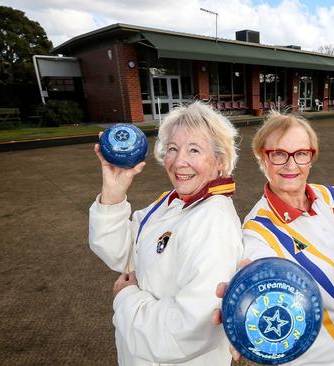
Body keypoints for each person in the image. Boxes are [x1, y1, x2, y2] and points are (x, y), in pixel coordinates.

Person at [88, 102, 242, 366]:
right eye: (173, 148)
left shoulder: (213, 222)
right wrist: (114, 190)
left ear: (220, 161)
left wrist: (126, 297)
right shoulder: (174, 201)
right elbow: (119, 252)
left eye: (194, 149)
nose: (179, 161)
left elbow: (185, 331)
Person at [216, 112, 334, 365]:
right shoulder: (258, 231)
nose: (291, 165)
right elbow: (261, 282)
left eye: (300, 153)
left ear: (311, 157)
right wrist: (245, 306)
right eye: (278, 154)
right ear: (261, 158)